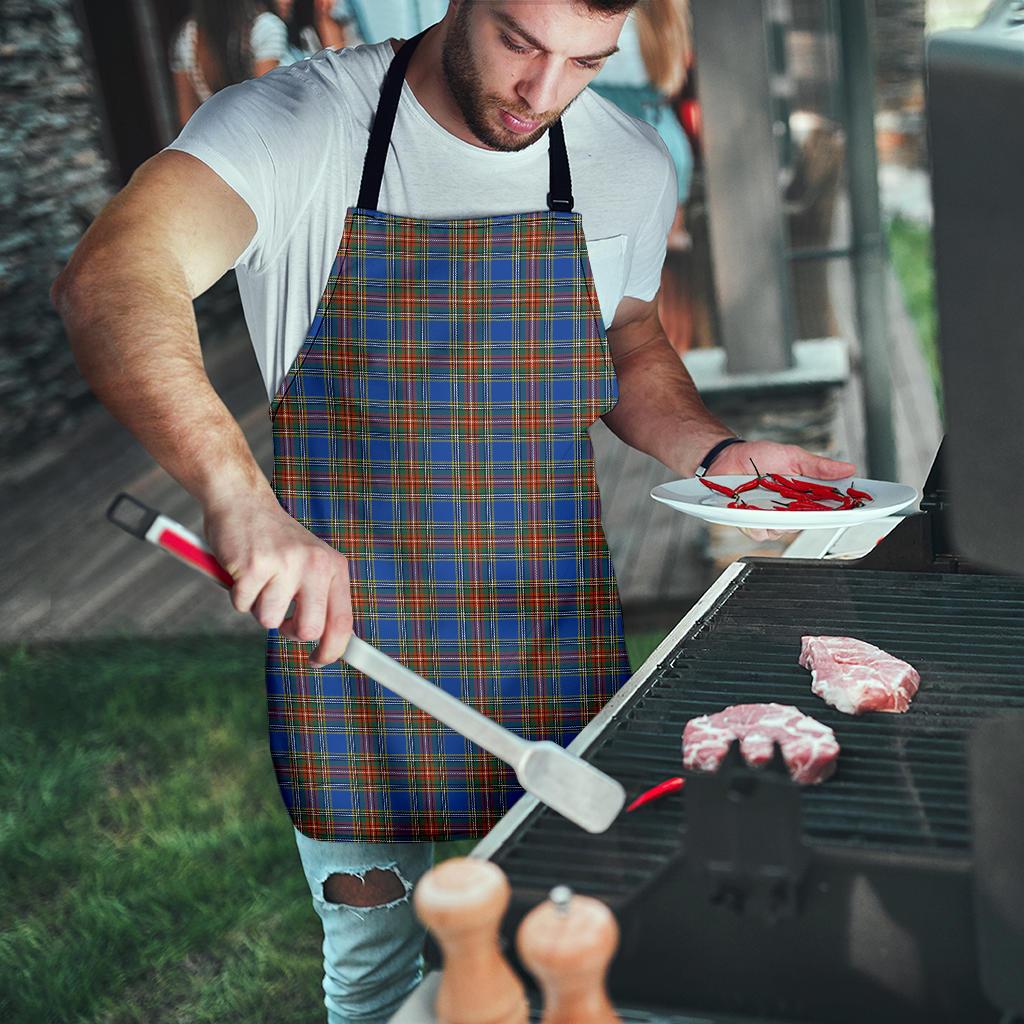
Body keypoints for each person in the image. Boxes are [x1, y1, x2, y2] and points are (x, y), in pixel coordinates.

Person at [52, 2, 856, 1020]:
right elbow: (113, 275)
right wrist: (238, 497)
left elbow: (627, 335)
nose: (543, 93)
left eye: (585, 62)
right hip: (349, 651)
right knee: (379, 976)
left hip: (549, 636)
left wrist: (718, 450)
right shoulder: (298, 125)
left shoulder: (624, 160)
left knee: (569, 954)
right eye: (521, 43)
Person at [170, 0, 289, 128]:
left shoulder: (187, 36)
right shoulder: (265, 27)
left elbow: (187, 119)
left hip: (217, 141)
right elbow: (268, 107)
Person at [275, 0, 350, 63]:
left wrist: (323, 17)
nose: (288, 2)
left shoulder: (307, 29)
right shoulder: (271, 26)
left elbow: (339, 61)